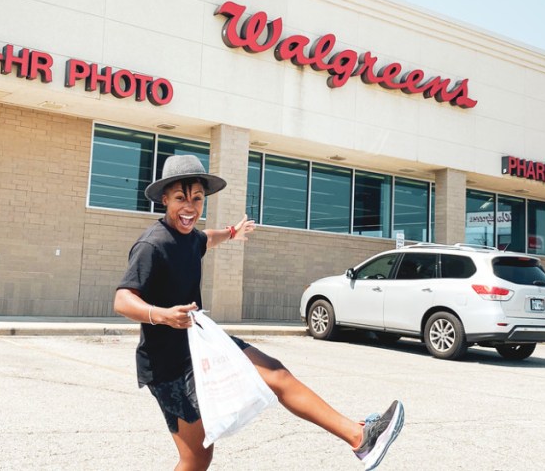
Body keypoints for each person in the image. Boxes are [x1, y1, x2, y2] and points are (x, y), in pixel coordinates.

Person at [113, 154, 404, 471]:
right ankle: (359, 438)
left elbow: (206, 239)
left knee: (276, 373)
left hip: (200, 344)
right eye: (181, 198)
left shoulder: (191, 236)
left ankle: (359, 437)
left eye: (197, 199)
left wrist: (232, 233)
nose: (190, 207)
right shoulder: (152, 246)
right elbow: (123, 299)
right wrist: (163, 315)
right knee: (196, 457)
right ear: (165, 199)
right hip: (167, 364)